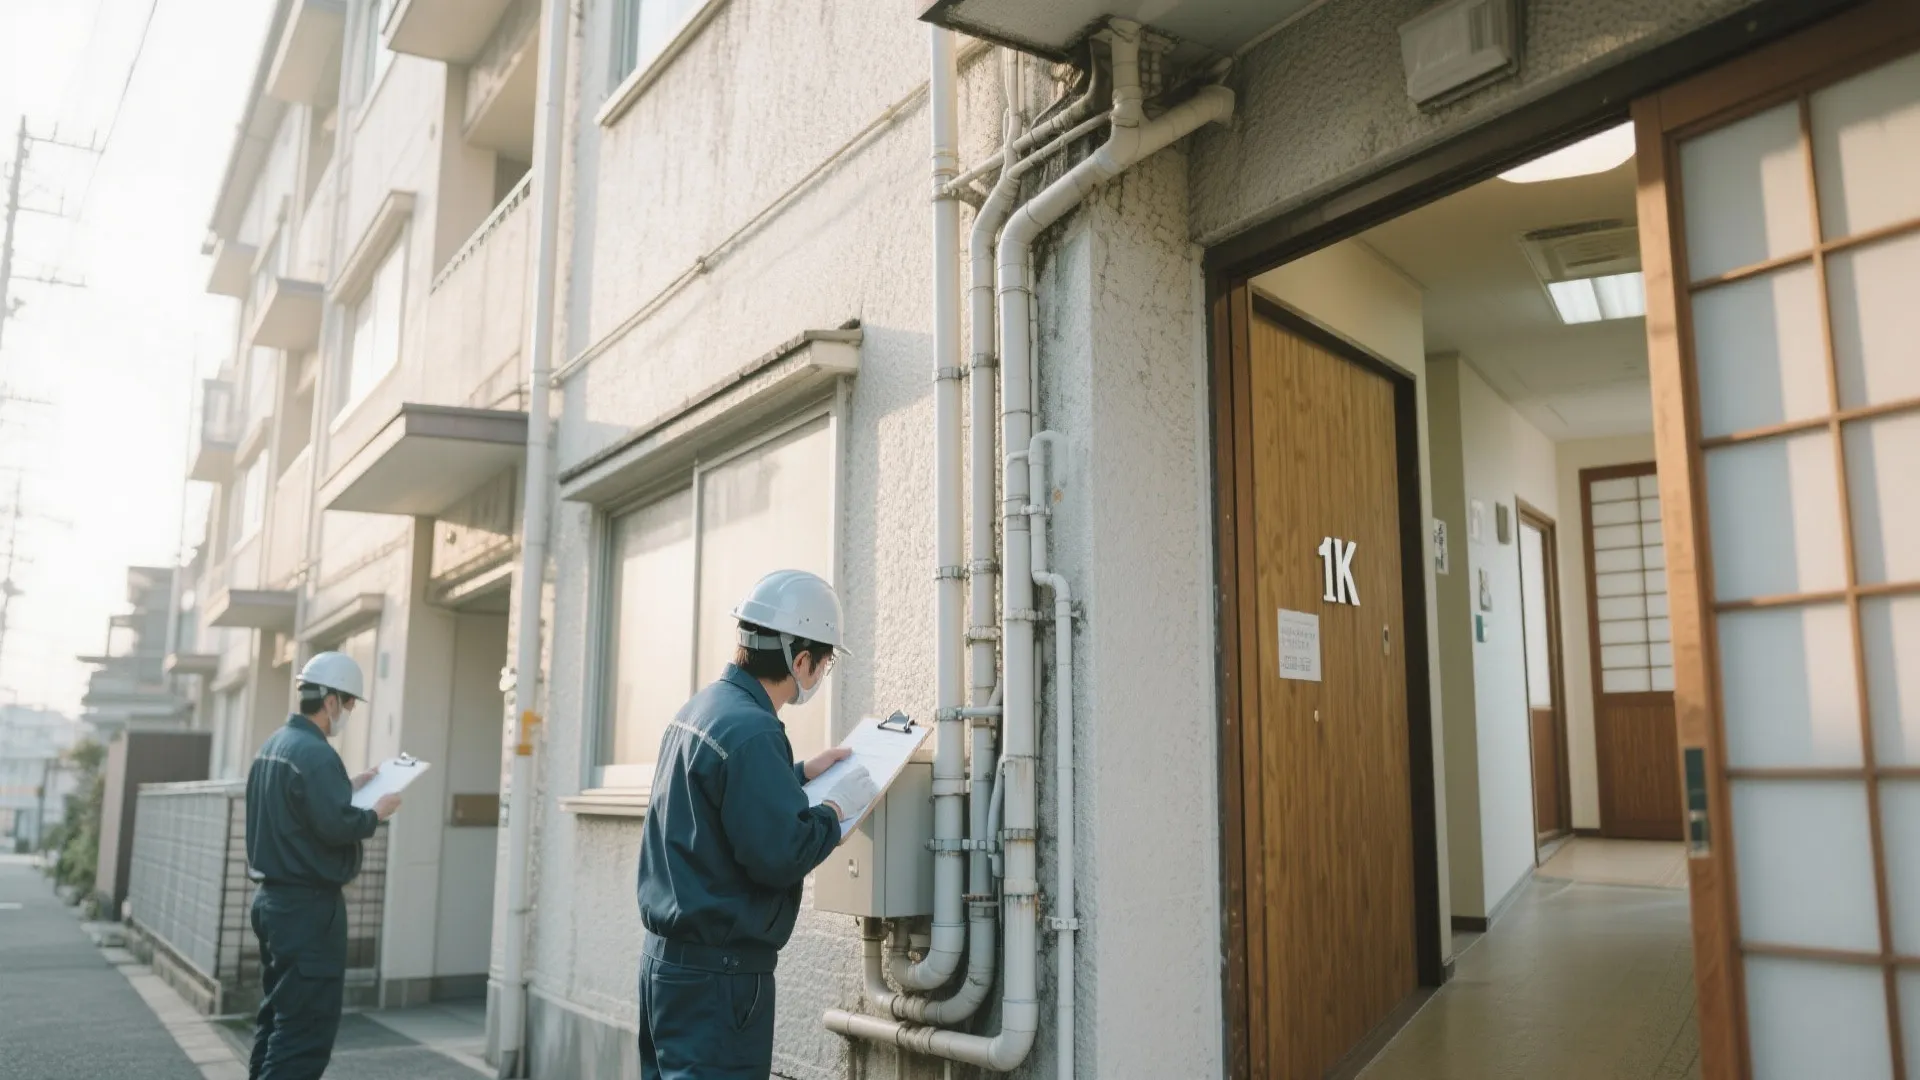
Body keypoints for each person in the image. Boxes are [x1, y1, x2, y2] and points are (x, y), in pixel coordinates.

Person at [635, 569, 880, 1079]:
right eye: (825, 661)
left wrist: (798, 774)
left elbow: (715, 798)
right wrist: (834, 811)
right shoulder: (754, 730)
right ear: (800, 659)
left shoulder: (702, 709)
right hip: (717, 981)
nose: (821, 672)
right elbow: (780, 854)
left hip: (666, 967)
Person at [244, 651, 403, 1079]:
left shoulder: (274, 746)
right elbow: (335, 823)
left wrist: (351, 785)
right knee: (304, 1035)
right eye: (349, 703)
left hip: (272, 903)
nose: (349, 712)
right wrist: (377, 811)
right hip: (308, 910)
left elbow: (304, 808)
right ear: (331, 701)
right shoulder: (315, 754)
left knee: (278, 1020)